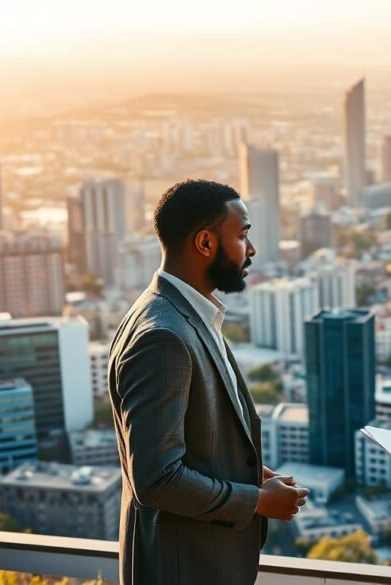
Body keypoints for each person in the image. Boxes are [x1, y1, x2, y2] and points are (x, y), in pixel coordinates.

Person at [108, 179, 308, 585]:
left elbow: (197, 442)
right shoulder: (162, 336)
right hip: (182, 568)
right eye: (243, 235)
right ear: (205, 243)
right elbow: (157, 478)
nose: (251, 250)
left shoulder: (182, 313)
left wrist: (257, 475)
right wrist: (256, 502)